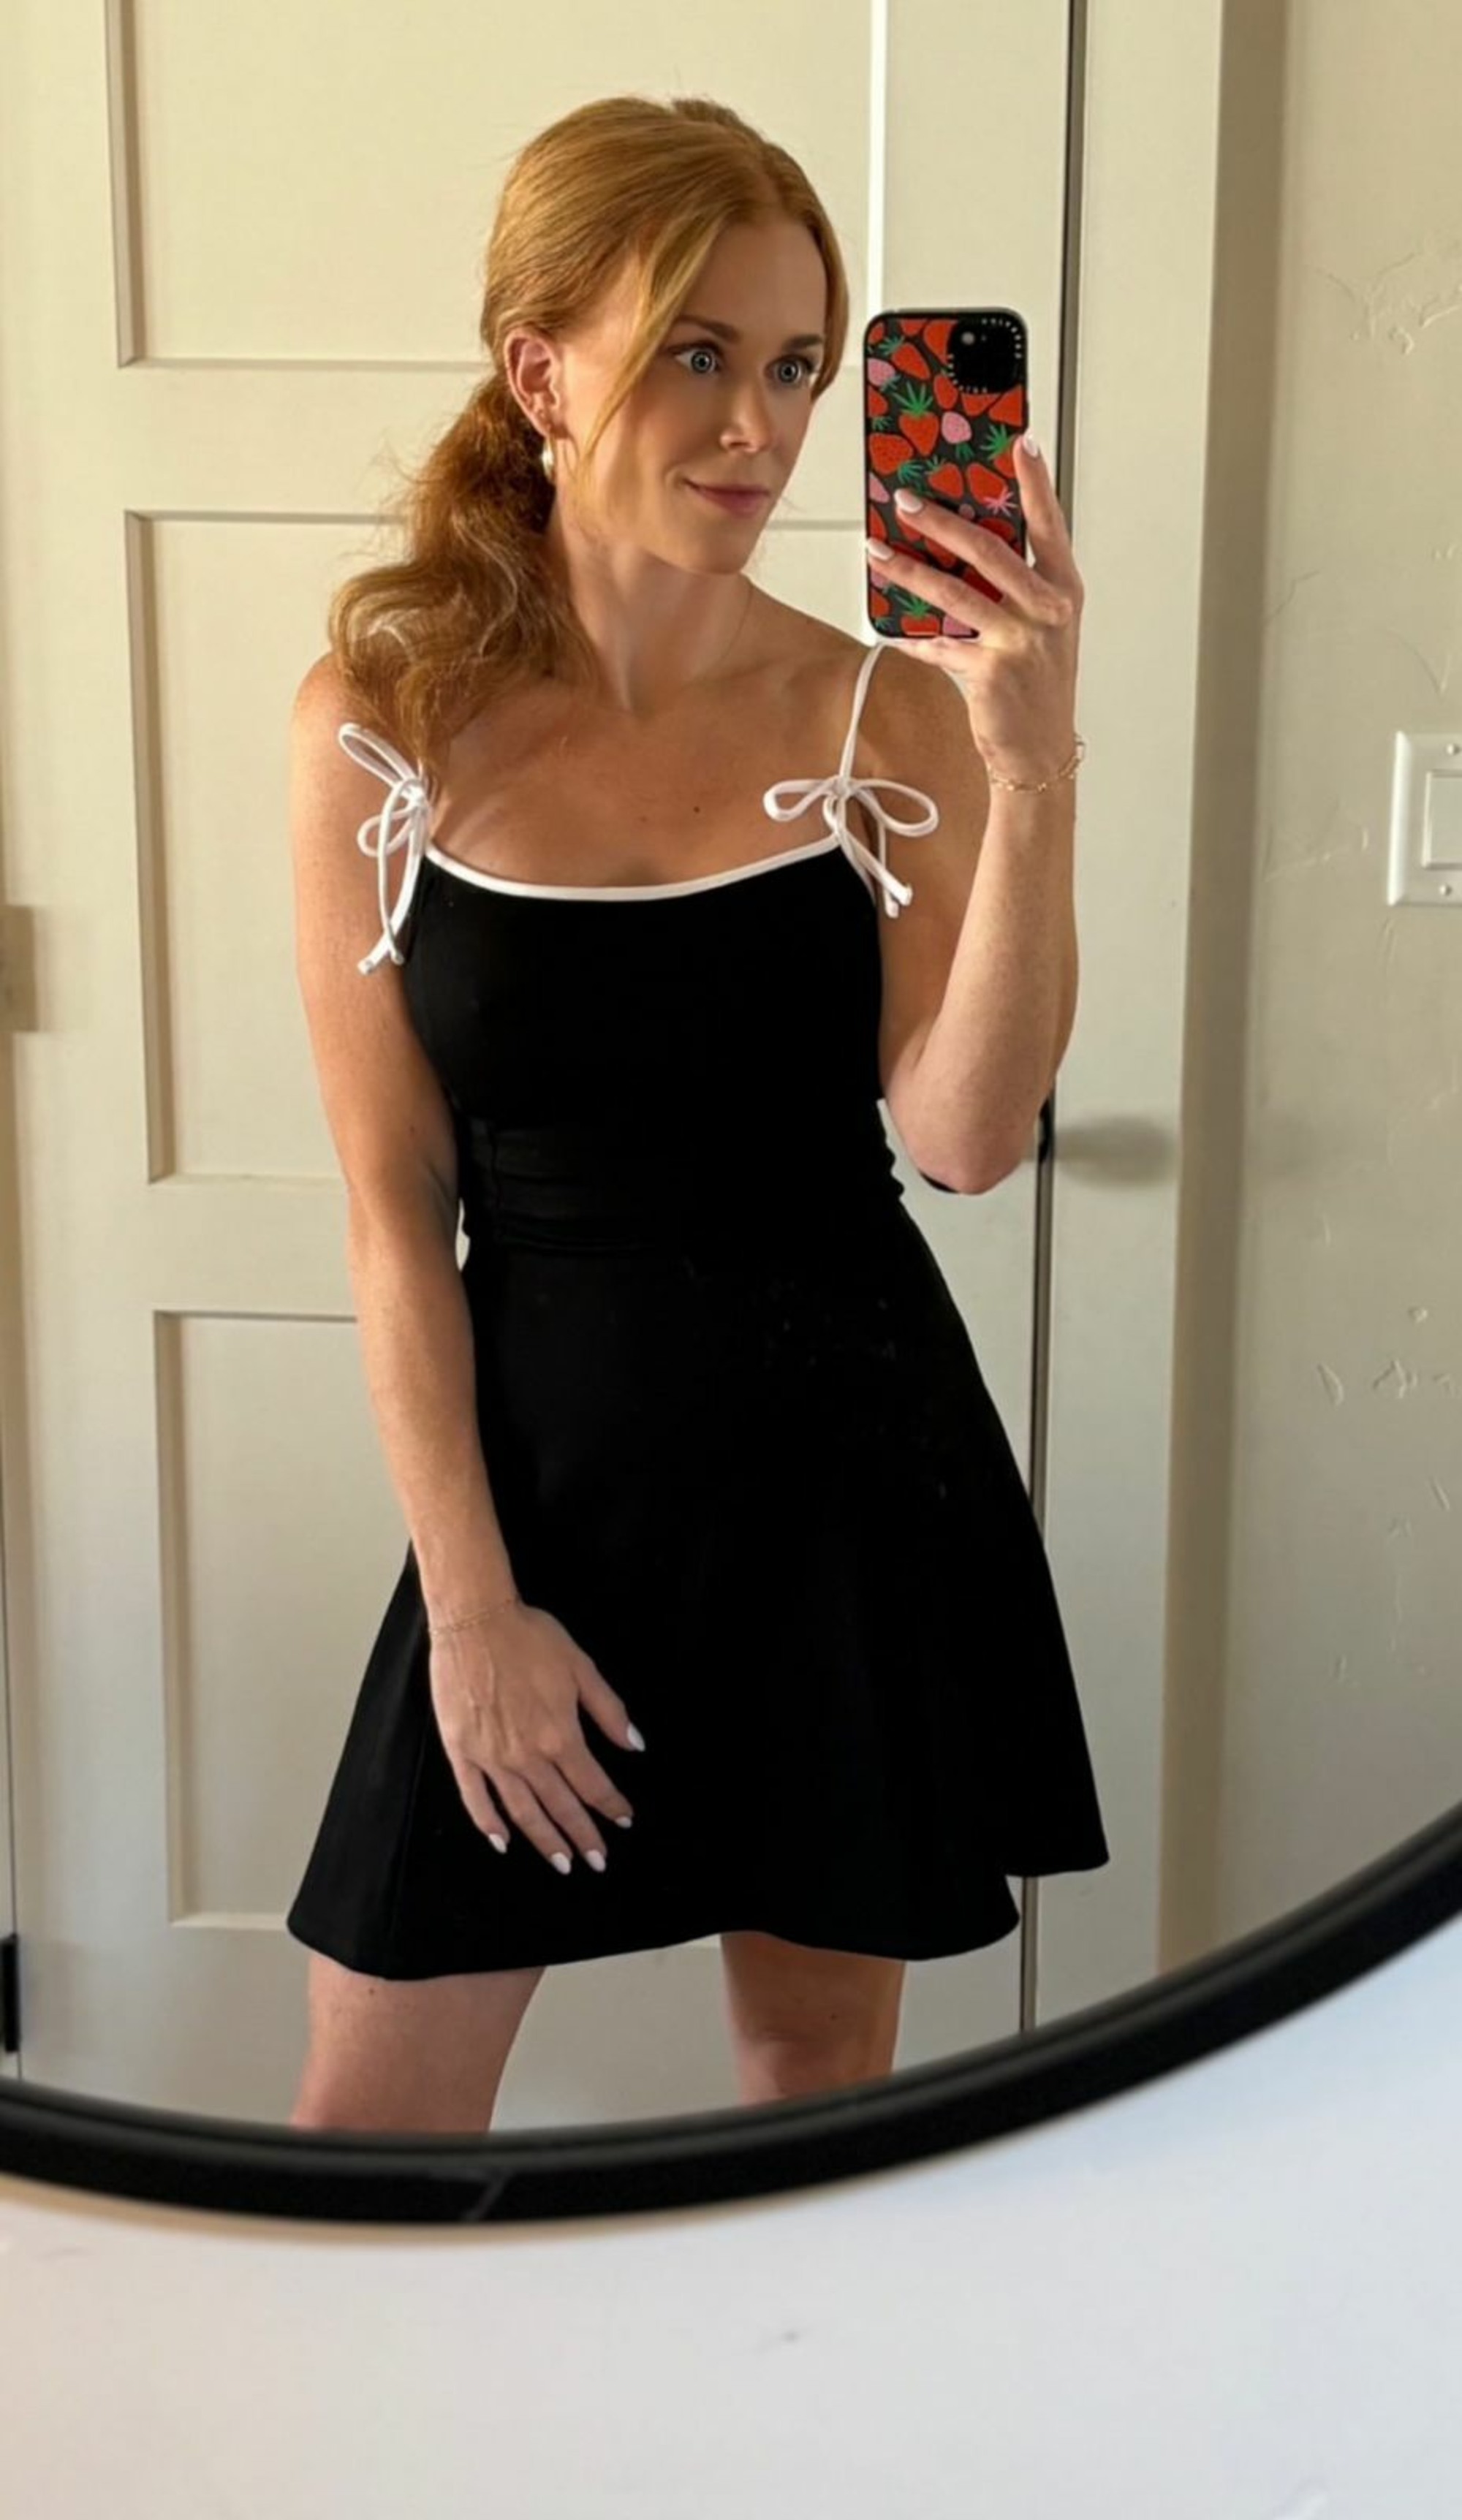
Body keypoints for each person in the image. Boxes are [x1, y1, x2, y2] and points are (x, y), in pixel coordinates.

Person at [284, 93, 1108, 2136]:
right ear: (540, 371)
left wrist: (1034, 773)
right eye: (699, 356)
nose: (762, 427)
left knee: (810, 2112)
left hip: (847, 1485)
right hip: (536, 1500)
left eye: (801, 365)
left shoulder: (886, 710)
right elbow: (391, 1212)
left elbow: (967, 1138)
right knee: (367, 2134)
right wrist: (471, 1609)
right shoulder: (382, 723)